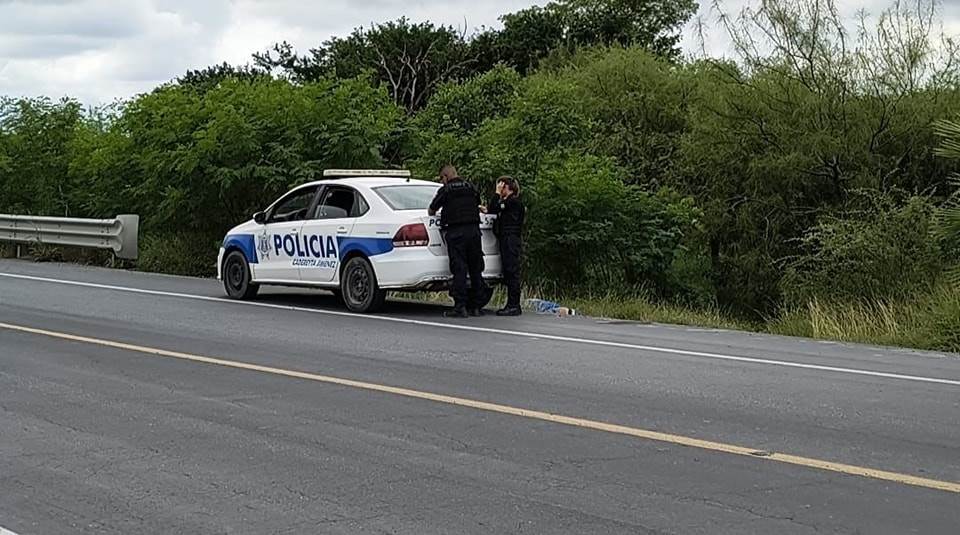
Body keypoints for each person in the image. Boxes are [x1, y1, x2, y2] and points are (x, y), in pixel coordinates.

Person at [429, 165, 488, 318]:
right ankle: (476, 307)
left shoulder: (446, 190)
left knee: (459, 268)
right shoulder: (471, 188)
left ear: (445, 177)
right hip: (474, 232)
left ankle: (460, 306)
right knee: (476, 269)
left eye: (442, 179)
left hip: (456, 233)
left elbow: (432, 209)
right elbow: (477, 203)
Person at [484, 176, 525, 316]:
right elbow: (493, 210)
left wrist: (496, 193)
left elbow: (494, 207)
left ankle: (514, 305)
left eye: (501, 186)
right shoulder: (507, 203)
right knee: (508, 271)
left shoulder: (513, 202)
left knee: (511, 270)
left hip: (510, 239)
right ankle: (511, 303)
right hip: (505, 239)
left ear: (506, 187)